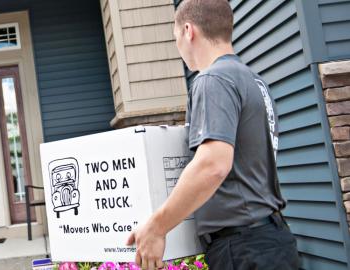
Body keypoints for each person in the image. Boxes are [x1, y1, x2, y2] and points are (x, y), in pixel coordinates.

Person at [125, 0, 299, 269]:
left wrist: (157, 227)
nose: (178, 46)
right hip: (269, 240)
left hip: (245, 250)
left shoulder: (213, 80)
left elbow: (213, 164)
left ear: (188, 30)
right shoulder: (252, 80)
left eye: (175, 37)